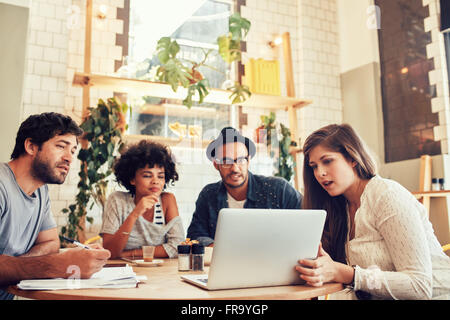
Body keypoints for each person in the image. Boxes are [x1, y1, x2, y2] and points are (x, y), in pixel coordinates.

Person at [296, 123, 450, 299]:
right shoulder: (341, 209)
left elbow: (419, 286)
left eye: (327, 161)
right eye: (314, 166)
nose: (320, 173)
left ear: (353, 158)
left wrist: (349, 274)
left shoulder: (387, 196)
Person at [0, 112, 111, 300]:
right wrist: (56, 265)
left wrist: (14, 265)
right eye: (61, 146)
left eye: (73, 151)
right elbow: (50, 256)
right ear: (31, 146)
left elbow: (51, 243)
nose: (69, 158)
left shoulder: (40, 191)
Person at [187, 127, 303, 246]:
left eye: (241, 160)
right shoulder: (208, 195)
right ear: (216, 165)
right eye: (226, 161)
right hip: (226, 263)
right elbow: (195, 235)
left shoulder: (279, 189)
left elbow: (308, 221)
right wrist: (221, 249)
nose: (235, 168)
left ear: (249, 160)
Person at [100, 140, 185, 259]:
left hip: (160, 272)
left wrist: (130, 254)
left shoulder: (167, 200)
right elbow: (110, 252)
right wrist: (134, 214)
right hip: (123, 271)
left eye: (160, 176)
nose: (155, 181)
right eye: (147, 175)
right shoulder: (117, 200)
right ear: (132, 179)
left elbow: (177, 247)